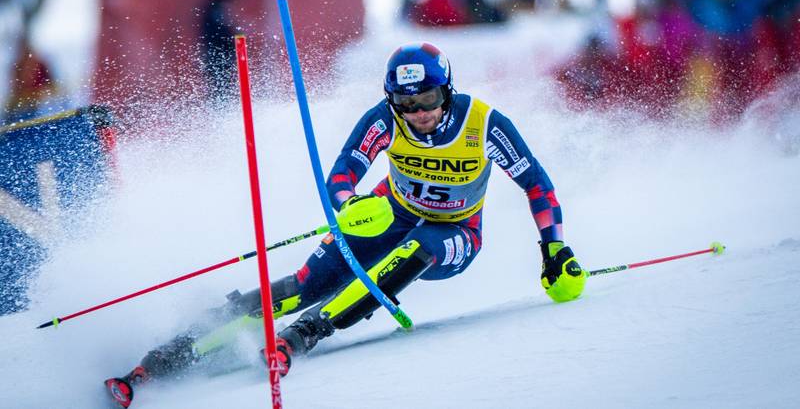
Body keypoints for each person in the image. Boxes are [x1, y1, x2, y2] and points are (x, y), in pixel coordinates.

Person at [104, 42, 587, 408]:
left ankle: (303, 334)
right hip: (390, 211)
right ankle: (170, 355)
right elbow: (341, 175)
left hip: (456, 231)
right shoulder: (385, 119)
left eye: (429, 99)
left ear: (448, 90)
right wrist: (349, 204)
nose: (419, 113)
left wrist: (554, 249)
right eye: (407, 103)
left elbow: (537, 185)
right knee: (304, 283)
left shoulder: (483, 124)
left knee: (416, 249)